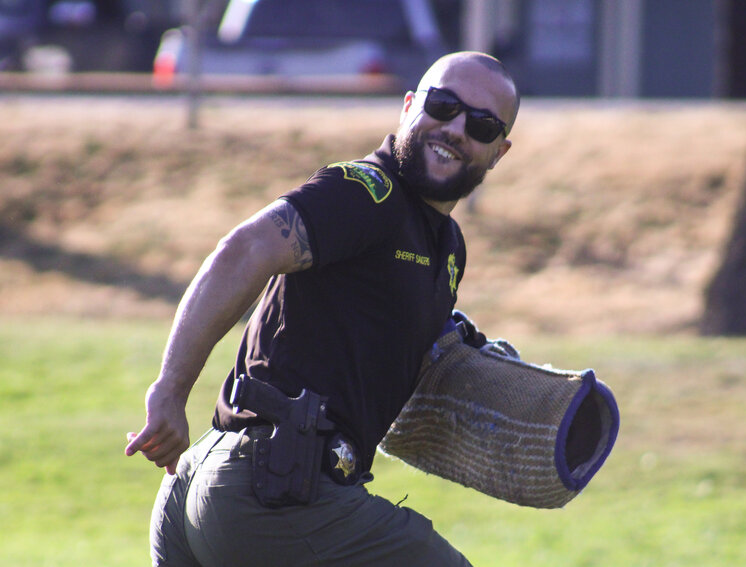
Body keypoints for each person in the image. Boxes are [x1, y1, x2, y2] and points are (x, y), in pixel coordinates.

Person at [125, 50, 520, 567]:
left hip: (230, 490)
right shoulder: (367, 194)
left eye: (482, 123)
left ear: (498, 151)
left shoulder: (446, 249)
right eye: (443, 104)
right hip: (268, 494)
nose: (456, 128)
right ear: (408, 107)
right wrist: (170, 390)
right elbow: (244, 250)